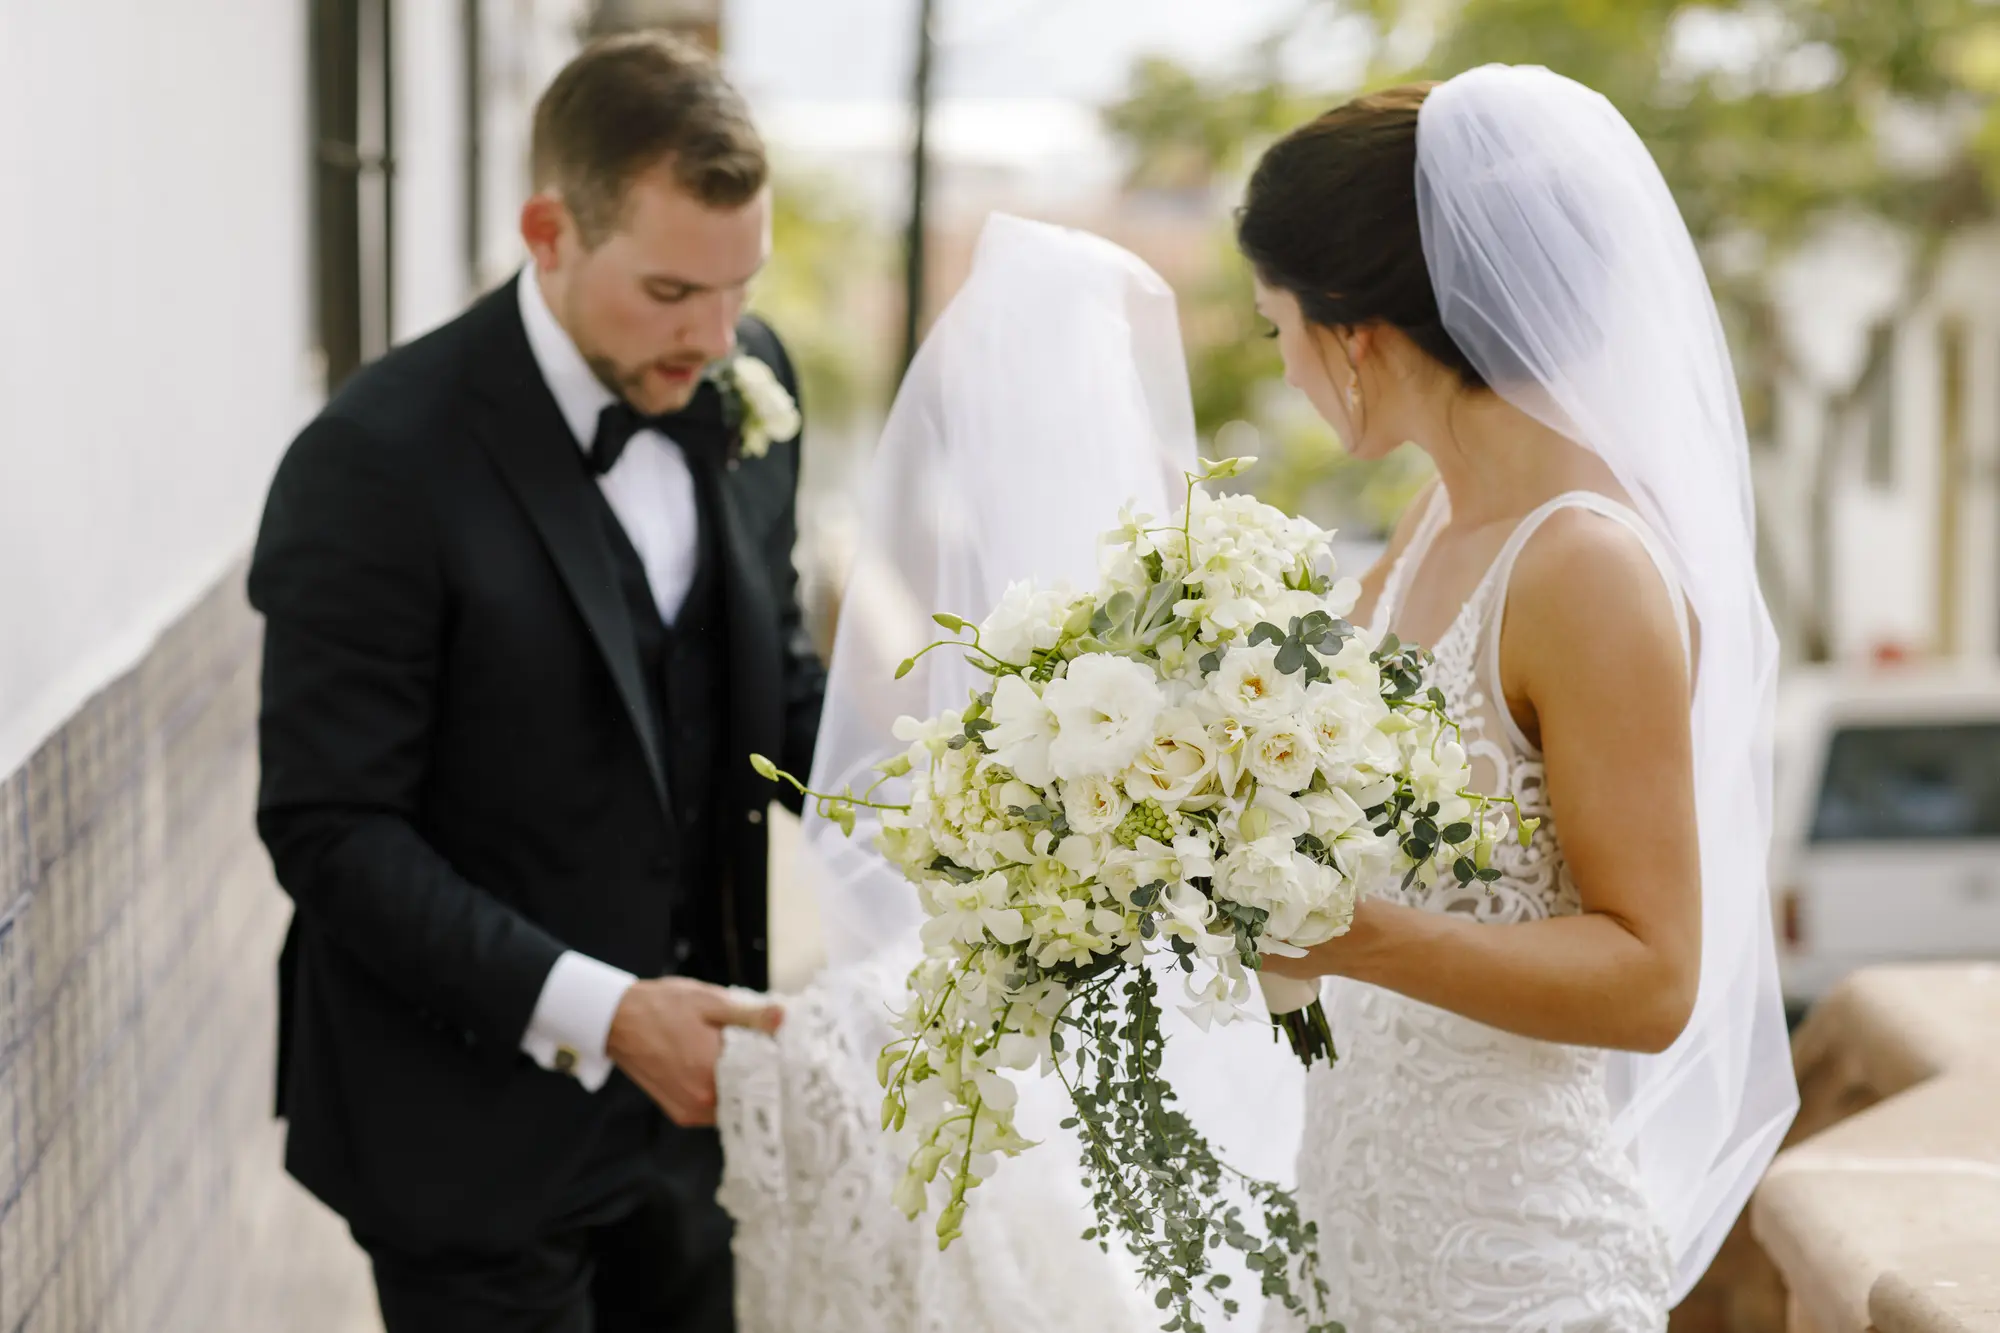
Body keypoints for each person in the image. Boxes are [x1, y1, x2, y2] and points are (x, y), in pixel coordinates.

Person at [249, 33, 823, 1333]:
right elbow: (330, 829)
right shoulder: (374, 461)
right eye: (673, 290)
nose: (717, 337)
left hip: (690, 1113)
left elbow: (767, 685)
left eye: (741, 289)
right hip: (460, 1126)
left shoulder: (749, 381)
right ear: (549, 231)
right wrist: (608, 1013)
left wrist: (972, 819)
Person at [1237, 68, 1796, 1329]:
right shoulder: (1432, 518)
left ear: (1355, 335)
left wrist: (1355, 936)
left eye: (1275, 329)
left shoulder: (1580, 563)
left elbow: (1652, 976)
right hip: (1346, 1239)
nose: (1281, 367)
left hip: (1506, 1270)